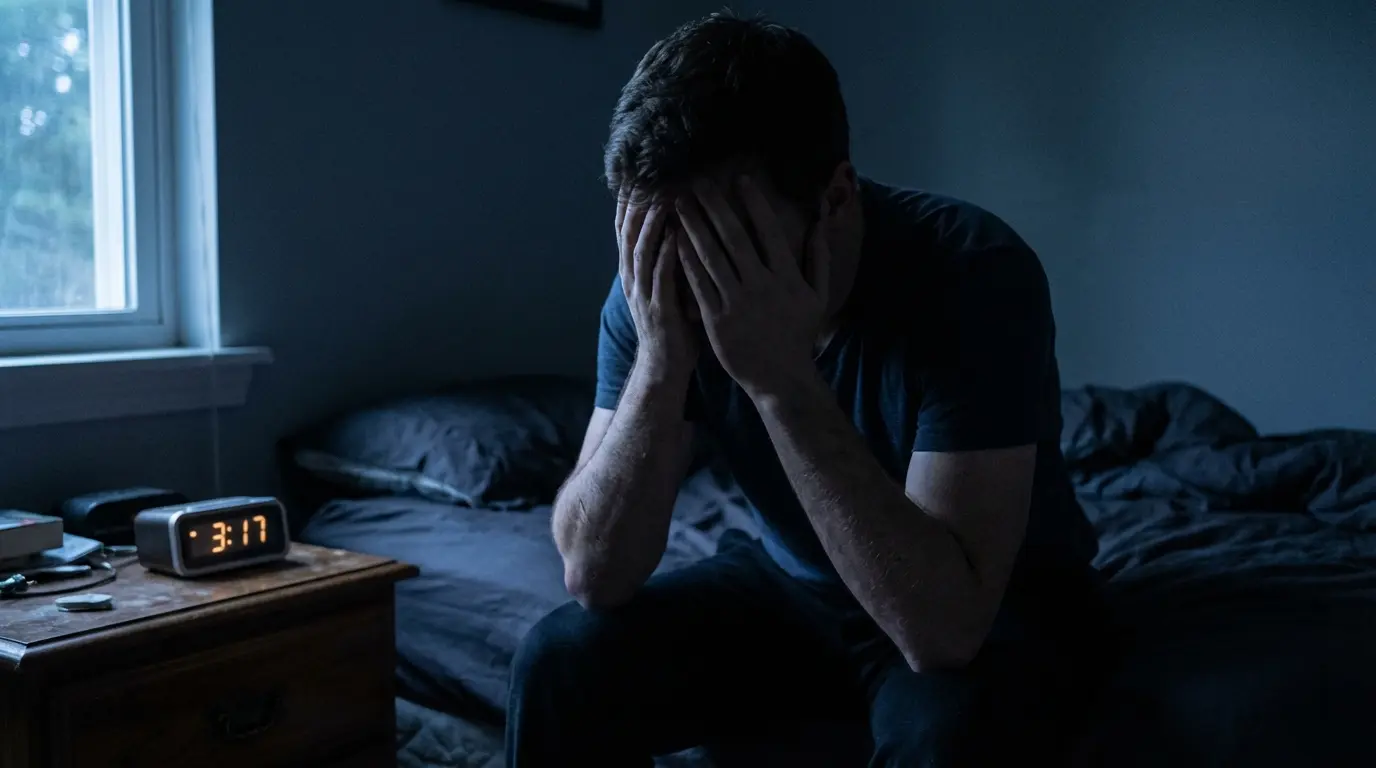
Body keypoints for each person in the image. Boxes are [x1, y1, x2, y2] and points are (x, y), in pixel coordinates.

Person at [506, 11, 1105, 768]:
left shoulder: (974, 270)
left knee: (950, 738)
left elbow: (945, 632)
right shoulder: (652, 289)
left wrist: (781, 380)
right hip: (796, 585)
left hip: (994, 602)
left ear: (837, 198)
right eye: (665, 242)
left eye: (730, 246)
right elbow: (594, 572)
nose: (696, 279)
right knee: (559, 661)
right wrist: (661, 360)